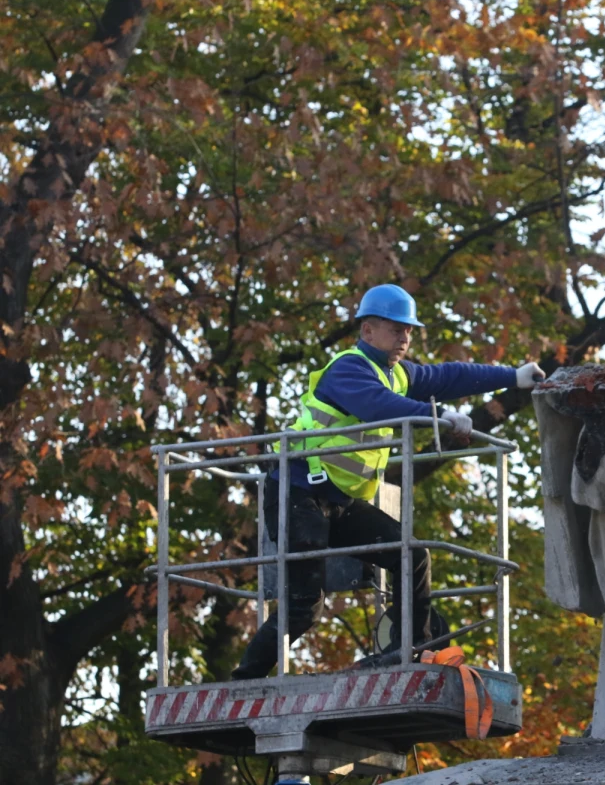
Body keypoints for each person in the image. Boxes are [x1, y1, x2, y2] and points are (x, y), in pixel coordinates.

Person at [231, 284, 545, 679]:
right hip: (298, 494)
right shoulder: (348, 369)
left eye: (409, 331)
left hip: (337, 500)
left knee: (410, 555)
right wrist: (439, 416)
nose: (405, 338)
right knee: (303, 604)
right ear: (368, 332)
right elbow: (376, 405)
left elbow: (449, 375)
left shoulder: (396, 375)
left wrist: (512, 376)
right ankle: (245, 680)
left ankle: (409, 649)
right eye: (397, 329)